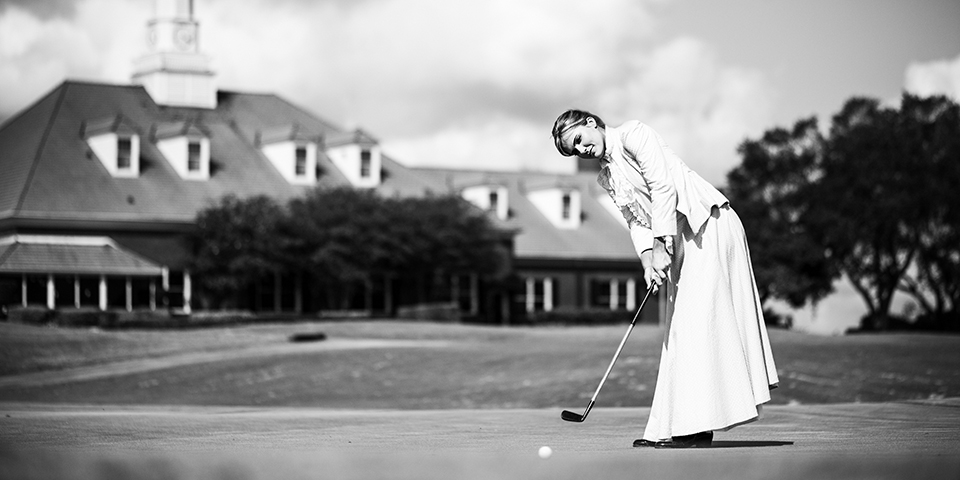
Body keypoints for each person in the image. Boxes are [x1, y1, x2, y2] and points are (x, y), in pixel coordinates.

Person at [552, 109, 779, 449]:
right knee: (679, 330)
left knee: (693, 325)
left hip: (709, 224)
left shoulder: (633, 134)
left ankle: (692, 427)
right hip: (681, 237)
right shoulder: (607, 177)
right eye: (574, 150)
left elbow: (662, 186)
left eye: (579, 140)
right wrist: (647, 259)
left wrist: (662, 245)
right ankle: (680, 427)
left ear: (590, 124)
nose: (581, 149)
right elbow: (634, 220)